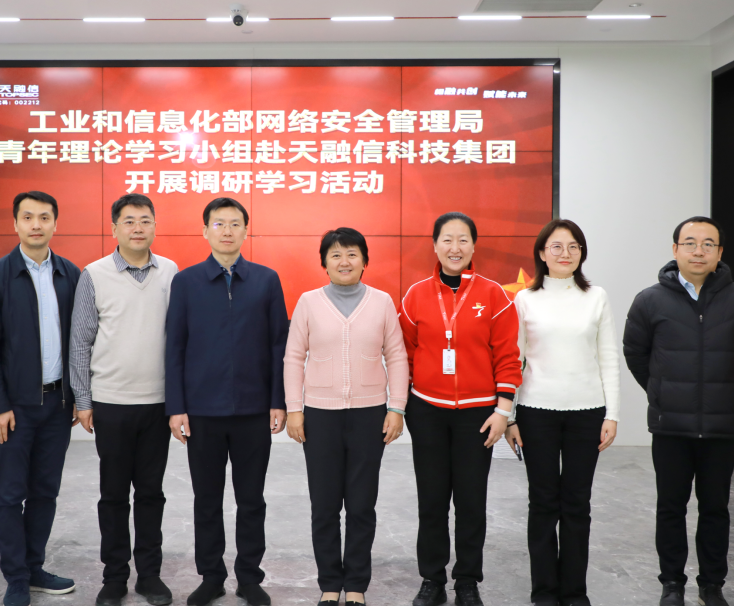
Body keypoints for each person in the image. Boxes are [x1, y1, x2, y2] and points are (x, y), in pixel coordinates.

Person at [622, 216, 734, 606]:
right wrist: (661, 390)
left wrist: (725, 391)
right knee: (670, 507)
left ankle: (712, 584)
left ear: (719, 252)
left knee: (715, 508)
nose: (698, 251)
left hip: (720, 426)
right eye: (689, 243)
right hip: (670, 425)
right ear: (675, 250)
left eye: (707, 244)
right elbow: (636, 353)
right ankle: (672, 583)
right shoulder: (650, 300)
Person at [165, 197, 289, 606]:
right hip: (202, 412)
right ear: (205, 231)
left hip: (254, 411)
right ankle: (211, 576)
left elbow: (278, 344)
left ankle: (249, 578)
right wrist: (176, 407)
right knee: (207, 500)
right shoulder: (186, 282)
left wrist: (278, 400)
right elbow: (175, 347)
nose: (228, 231)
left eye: (235, 223)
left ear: (246, 230)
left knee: (251, 500)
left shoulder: (266, 280)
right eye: (219, 224)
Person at [398, 212, 522, 606]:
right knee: (432, 501)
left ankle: (467, 580)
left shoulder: (494, 295)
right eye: (447, 240)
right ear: (435, 245)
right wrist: (405, 406)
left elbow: (508, 356)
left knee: (471, 502)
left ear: (473, 246)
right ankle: (432, 579)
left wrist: (503, 411)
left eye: (463, 239)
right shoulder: (416, 295)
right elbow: (405, 354)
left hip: (478, 416)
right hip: (428, 412)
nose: (455, 248)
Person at [283, 228, 410, 606]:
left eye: (352, 254)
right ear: (324, 263)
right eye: (335, 255)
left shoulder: (382, 302)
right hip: (319, 416)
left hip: (370, 415)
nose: (344, 261)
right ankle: (329, 583)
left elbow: (397, 356)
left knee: (361, 505)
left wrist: (396, 407)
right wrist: (294, 409)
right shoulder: (308, 302)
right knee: (324, 506)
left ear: (365, 261)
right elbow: (293, 357)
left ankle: (355, 584)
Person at [70, 193, 179, 606]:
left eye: (145, 220)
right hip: (111, 402)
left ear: (154, 226)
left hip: (158, 403)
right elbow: (80, 342)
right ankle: (114, 576)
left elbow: (180, 339)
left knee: (151, 493)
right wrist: (83, 400)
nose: (137, 228)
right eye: (129, 221)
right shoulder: (94, 274)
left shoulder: (171, 272)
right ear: (114, 227)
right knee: (114, 495)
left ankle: (149, 575)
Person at [504, 219, 619, 606]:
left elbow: (608, 358)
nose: (565, 253)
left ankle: (574, 592)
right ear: (541, 252)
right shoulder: (525, 299)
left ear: (582, 253)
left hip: (587, 412)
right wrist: (511, 416)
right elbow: (514, 360)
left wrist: (612, 415)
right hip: (535, 412)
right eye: (556, 246)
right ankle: (544, 592)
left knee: (577, 504)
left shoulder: (596, 296)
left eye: (573, 247)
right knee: (542, 503)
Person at [0, 191, 80, 606]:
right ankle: (15, 578)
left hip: (57, 405)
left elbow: (80, 341)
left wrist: (76, 397)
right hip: (14, 408)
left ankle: (34, 567)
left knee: (45, 491)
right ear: (15, 223)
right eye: (28, 217)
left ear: (55, 223)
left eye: (45, 217)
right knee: (9, 494)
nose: (36, 224)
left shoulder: (71, 274)